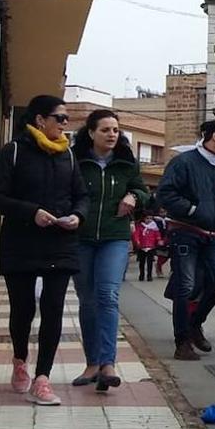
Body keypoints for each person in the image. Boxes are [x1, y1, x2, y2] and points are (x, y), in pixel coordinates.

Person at [0, 95, 88, 405]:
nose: (65, 124)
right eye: (59, 118)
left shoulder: (69, 156)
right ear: (40, 120)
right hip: (20, 242)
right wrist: (31, 211)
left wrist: (78, 215)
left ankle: (43, 379)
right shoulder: (14, 151)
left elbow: (82, 195)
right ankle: (20, 360)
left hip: (60, 243)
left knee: (53, 308)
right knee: (23, 309)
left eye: (66, 119)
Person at [70, 109, 150, 392]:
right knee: (87, 299)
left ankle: (108, 364)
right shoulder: (75, 162)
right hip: (81, 237)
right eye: (105, 130)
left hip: (114, 237)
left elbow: (144, 192)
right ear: (91, 132)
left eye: (115, 130)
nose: (112, 134)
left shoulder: (127, 164)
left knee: (107, 294)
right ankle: (92, 363)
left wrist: (134, 196)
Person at [156, 120, 215, 361]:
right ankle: (182, 342)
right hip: (186, 231)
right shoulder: (184, 162)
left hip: (213, 235)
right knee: (186, 286)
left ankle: (195, 324)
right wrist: (192, 210)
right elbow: (165, 193)